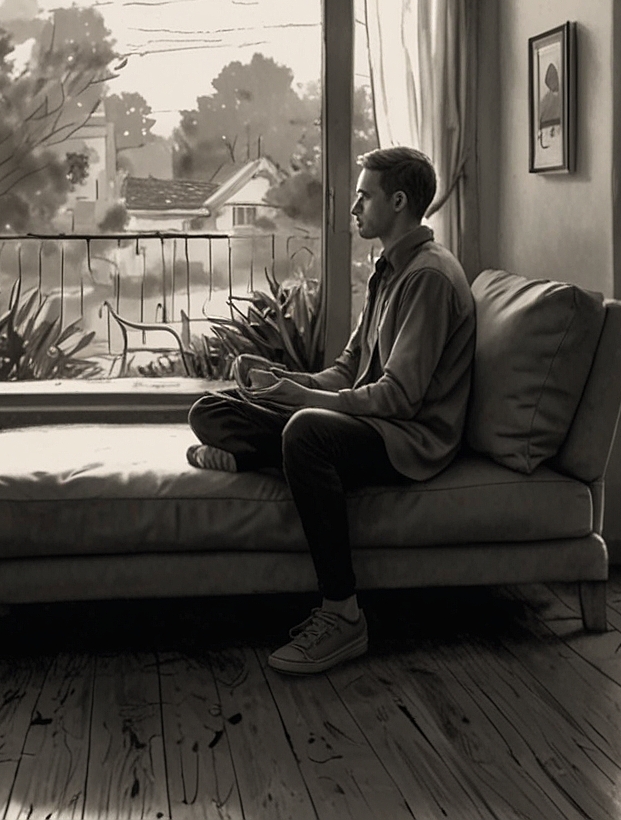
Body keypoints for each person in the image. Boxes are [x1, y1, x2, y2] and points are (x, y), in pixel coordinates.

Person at [186, 145, 476, 675]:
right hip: (367, 419)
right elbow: (346, 370)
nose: (355, 208)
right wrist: (284, 381)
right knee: (212, 409)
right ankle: (257, 451)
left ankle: (343, 616)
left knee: (305, 433)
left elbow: (399, 398)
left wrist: (307, 405)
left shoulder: (428, 277)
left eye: (364, 197)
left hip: (407, 438)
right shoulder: (389, 268)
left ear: (399, 200)